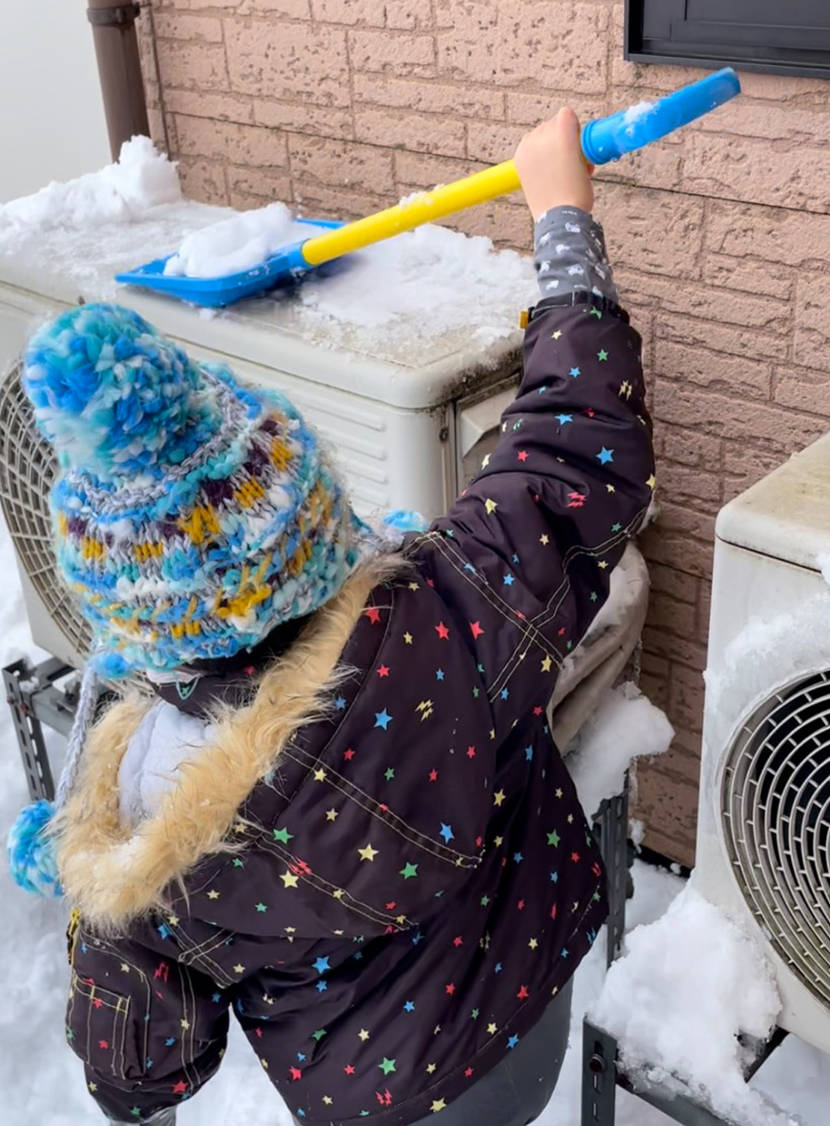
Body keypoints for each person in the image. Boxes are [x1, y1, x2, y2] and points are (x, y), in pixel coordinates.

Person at [24, 108, 654, 1126]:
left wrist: (104, 924)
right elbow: (574, 452)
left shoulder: (139, 838)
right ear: (306, 514)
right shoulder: (447, 613)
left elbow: (141, 1072)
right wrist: (560, 215)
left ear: (129, 615)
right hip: (525, 987)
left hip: (377, 1092)